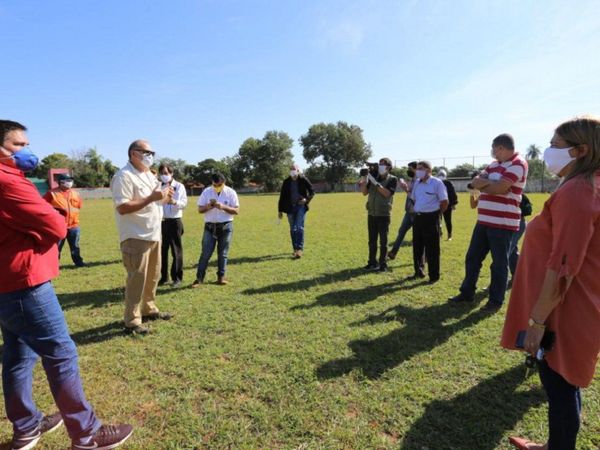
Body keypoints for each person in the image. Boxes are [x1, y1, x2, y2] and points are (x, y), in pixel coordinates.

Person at [0, 120, 133, 450]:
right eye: (19, 145)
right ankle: (87, 434)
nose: (26, 150)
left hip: (5, 282)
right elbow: (55, 225)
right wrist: (39, 230)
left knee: (17, 356)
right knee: (60, 354)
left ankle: (26, 427)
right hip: (25, 283)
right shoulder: (7, 181)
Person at [501, 117, 600, 450]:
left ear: (581, 150)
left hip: (567, 307)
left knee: (559, 382)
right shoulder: (587, 185)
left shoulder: (578, 190)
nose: (548, 152)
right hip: (577, 301)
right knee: (565, 381)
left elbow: (563, 268)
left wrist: (536, 322)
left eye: (556, 146)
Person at [448, 134, 528, 312]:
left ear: (500, 147)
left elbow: (500, 188)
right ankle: (467, 293)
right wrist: (488, 183)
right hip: (483, 221)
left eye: (493, 148)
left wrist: (486, 184)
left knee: (499, 264)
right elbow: (475, 183)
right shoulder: (493, 165)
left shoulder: (518, 163)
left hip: (503, 223)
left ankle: (495, 301)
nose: (492, 152)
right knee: (472, 258)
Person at [110, 139, 173, 335]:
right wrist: (152, 198)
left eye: (152, 152)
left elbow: (157, 201)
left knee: (153, 275)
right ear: (133, 154)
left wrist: (165, 196)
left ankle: (149, 309)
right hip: (135, 235)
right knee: (136, 278)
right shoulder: (124, 176)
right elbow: (123, 207)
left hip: (154, 232)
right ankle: (132, 320)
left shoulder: (148, 175)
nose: (150, 156)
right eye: (146, 152)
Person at [192, 173, 240, 286]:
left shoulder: (231, 192)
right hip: (209, 227)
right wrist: (208, 206)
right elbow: (199, 209)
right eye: (215, 184)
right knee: (205, 254)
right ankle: (199, 279)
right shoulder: (206, 192)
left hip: (226, 226)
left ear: (224, 182)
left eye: (219, 185)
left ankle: (221, 277)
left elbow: (236, 210)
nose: (217, 186)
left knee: (223, 254)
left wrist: (222, 207)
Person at [410, 161, 448, 283]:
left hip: (431, 218)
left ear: (429, 170)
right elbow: (414, 199)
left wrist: (437, 214)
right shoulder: (417, 183)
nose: (418, 171)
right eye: (417, 169)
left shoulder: (437, 183)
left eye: (421, 169)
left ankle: (434, 276)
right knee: (417, 246)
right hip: (418, 217)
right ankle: (418, 271)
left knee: (432, 249)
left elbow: (444, 202)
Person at [358, 157, 398, 272]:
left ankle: (383, 264)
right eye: (379, 164)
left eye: (383, 164)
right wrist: (365, 178)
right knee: (372, 240)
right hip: (371, 212)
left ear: (389, 167)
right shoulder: (372, 178)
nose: (380, 166)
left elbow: (386, 194)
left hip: (383, 214)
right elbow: (364, 193)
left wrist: (375, 183)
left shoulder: (393, 179)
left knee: (383, 241)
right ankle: (372, 262)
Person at [43, 173, 86, 267]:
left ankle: (78, 263)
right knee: (56, 247)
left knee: (75, 246)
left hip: (74, 225)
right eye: (67, 180)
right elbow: (43, 206)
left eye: (70, 180)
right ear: (60, 182)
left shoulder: (76, 193)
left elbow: (79, 206)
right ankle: (54, 265)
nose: (70, 182)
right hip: (58, 226)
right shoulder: (52, 193)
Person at [157, 163, 187, 287]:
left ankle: (177, 278)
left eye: (166, 173)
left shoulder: (179, 186)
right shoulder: (158, 187)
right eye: (162, 173)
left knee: (176, 251)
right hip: (162, 222)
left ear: (171, 173)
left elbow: (184, 203)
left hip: (175, 221)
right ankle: (164, 277)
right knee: (162, 251)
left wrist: (174, 201)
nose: (164, 176)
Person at [278, 163, 315, 258]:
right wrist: (280, 210)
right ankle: (295, 249)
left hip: (300, 207)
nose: (292, 170)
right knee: (292, 229)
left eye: (294, 169)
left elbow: (312, 191)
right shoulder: (286, 181)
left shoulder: (303, 179)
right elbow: (282, 196)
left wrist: (306, 200)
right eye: (291, 169)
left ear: (298, 170)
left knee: (299, 227)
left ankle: (299, 249)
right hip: (289, 207)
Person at [388, 161, 417, 260]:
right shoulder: (413, 180)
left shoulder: (419, 181)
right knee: (402, 231)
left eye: (410, 169)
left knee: (418, 236)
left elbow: (414, 197)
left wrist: (405, 189)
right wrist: (406, 187)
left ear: (416, 169)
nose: (408, 171)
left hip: (417, 213)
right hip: (409, 212)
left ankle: (423, 257)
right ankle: (393, 252)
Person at [508, 193, 532, 282]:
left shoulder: (514, 195)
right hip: (515, 223)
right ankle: (518, 275)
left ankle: (498, 281)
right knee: (512, 250)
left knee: (506, 251)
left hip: (518, 223)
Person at [436, 169, 458, 240]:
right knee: (443, 220)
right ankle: (444, 235)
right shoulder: (446, 183)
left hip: (443, 205)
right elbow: (453, 194)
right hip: (442, 205)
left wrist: (453, 203)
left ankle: (445, 235)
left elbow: (452, 194)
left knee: (442, 220)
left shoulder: (444, 183)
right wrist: (454, 203)